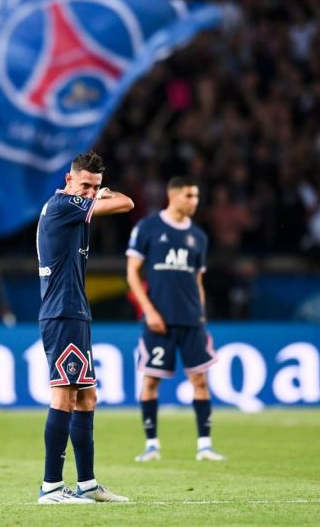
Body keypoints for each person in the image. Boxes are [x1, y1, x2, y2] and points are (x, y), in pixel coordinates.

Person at [35, 151, 134, 504]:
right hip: (63, 314)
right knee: (63, 395)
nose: (90, 193)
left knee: (86, 397)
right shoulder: (64, 206)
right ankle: (50, 487)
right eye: (85, 186)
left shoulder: (72, 210)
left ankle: (87, 484)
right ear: (68, 181)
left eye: (95, 187)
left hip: (74, 312)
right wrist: (106, 194)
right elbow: (127, 203)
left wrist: (97, 194)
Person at [126, 176, 226, 463]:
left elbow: (197, 281)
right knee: (151, 382)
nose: (195, 202)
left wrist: (201, 314)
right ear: (175, 196)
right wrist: (149, 310)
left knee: (200, 380)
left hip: (192, 320)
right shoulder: (148, 228)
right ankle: (151, 445)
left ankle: (205, 445)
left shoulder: (199, 237)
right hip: (159, 320)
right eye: (190, 196)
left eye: (196, 197)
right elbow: (132, 273)